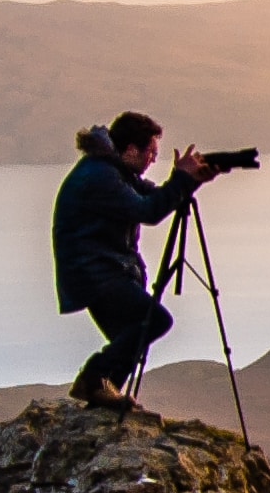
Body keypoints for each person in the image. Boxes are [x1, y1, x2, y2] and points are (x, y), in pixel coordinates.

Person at [54, 112, 217, 406]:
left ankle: (104, 393)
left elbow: (154, 197)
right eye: (151, 152)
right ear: (131, 149)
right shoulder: (100, 176)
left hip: (97, 271)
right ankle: (94, 379)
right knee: (154, 320)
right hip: (96, 273)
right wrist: (180, 179)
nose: (153, 160)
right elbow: (148, 211)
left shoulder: (112, 170)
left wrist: (189, 182)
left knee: (135, 336)